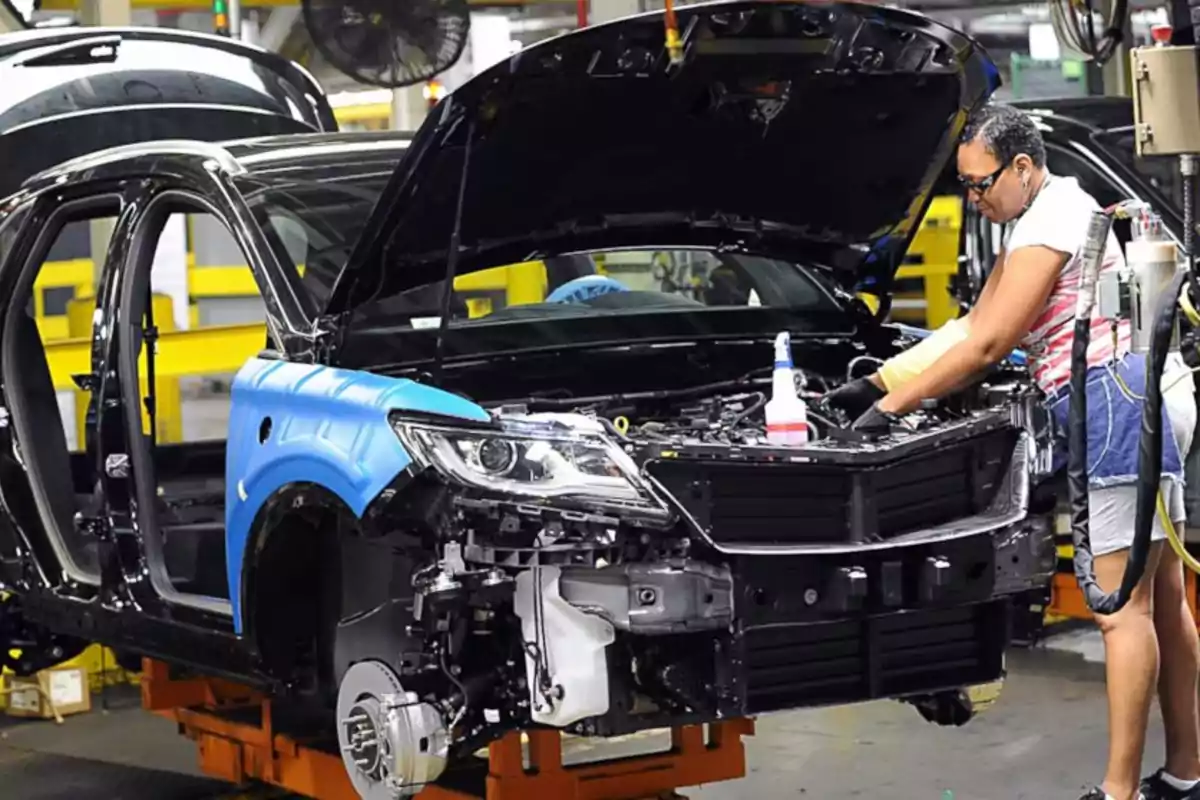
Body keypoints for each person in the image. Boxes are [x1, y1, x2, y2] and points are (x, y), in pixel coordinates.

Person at [824, 103, 1200, 800]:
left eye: (981, 182)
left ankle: (1119, 793)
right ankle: (1186, 774)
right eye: (965, 186)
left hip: (1118, 405)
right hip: (1145, 394)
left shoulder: (1053, 217)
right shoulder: (1039, 215)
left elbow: (991, 343)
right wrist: (879, 379)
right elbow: (972, 323)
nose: (974, 198)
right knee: (1165, 601)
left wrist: (888, 411)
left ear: (1023, 166)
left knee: (1122, 611)